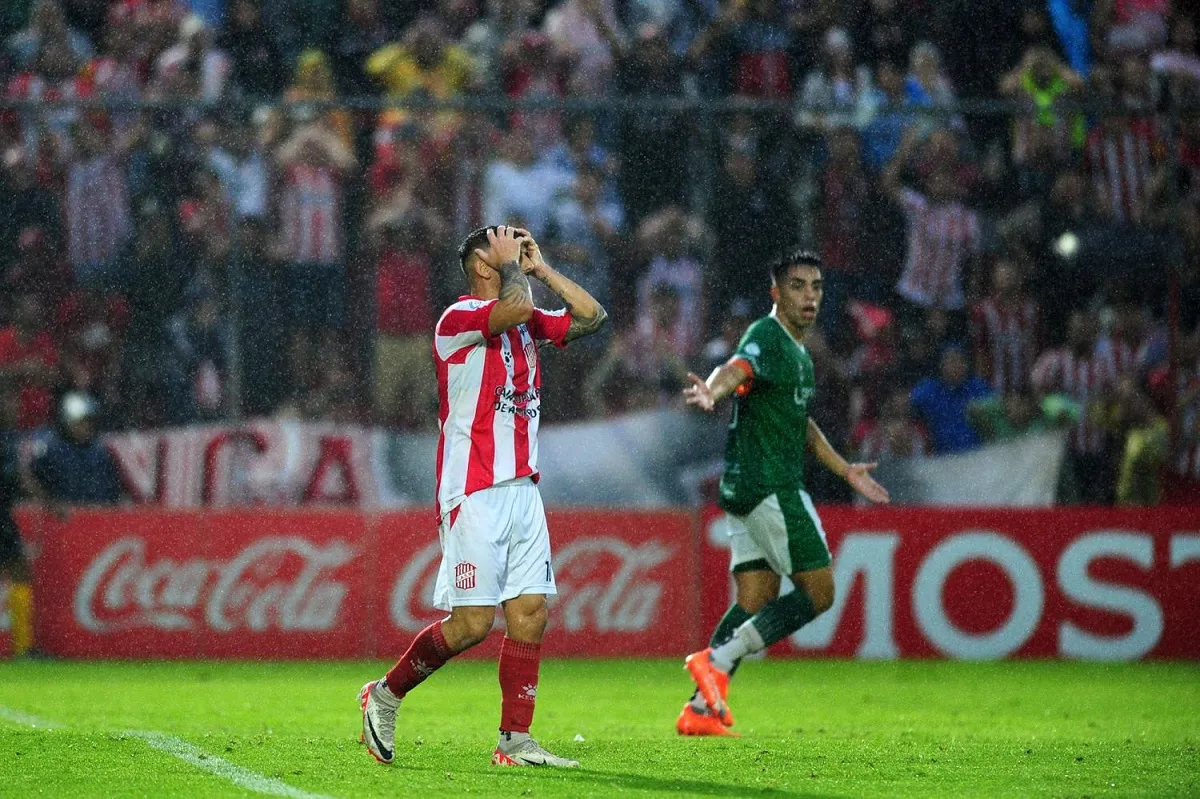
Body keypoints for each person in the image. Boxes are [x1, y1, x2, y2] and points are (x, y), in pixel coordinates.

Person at [358, 225, 607, 767]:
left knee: (531, 614)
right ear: (481, 264)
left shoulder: (524, 316)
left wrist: (542, 270)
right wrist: (518, 272)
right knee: (472, 624)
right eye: (504, 245)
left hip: (523, 488)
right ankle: (384, 695)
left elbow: (592, 317)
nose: (518, 248)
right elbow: (513, 310)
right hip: (473, 491)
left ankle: (514, 742)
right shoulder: (459, 318)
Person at [676, 249, 890, 736]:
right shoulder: (767, 336)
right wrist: (713, 390)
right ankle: (717, 661)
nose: (809, 295)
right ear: (776, 293)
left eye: (815, 286)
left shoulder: (799, 356)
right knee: (819, 592)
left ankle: (700, 708)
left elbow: (801, 424)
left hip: (744, 489)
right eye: (797, 286)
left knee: (756, 596)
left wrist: (844, 470)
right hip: (770, 485)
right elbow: (736, 370)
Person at [28, 392, 123, 511]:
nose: (86, 428)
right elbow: (33, 481)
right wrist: (51, 502)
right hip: (64, 518)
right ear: (67, 422)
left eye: (89, 423)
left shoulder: (101, 452)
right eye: (80, 423)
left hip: (97, 516)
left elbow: (112, 488)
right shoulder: (52, 451)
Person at [0, 384, 33, 656]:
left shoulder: (9, 439)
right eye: (8, 401)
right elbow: (16, 480)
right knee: (18, 571)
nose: (14, 408)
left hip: (4, 516)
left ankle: (22, 646)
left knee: (21, 573)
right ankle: (22, 647)